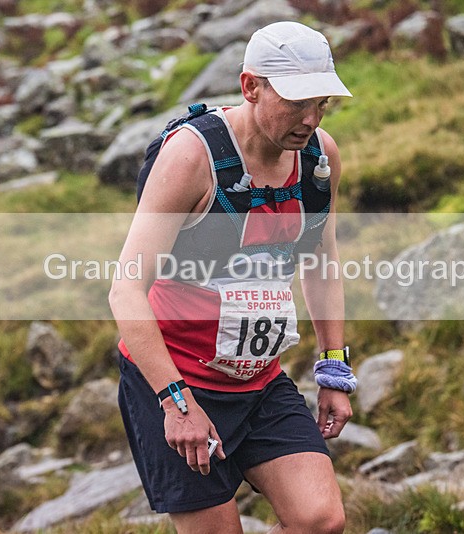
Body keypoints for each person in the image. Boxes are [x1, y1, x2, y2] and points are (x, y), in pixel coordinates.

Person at [109, 20, 356, 534]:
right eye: (296, 102)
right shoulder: (191, 158)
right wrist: (176, 403)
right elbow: (125, 288)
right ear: (251, 86)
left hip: (259, 380)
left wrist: (333, 368)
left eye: (322, 104)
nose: (310, 119)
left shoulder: (319, 158)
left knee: (321, 520)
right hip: (179, 381)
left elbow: (321, 261)